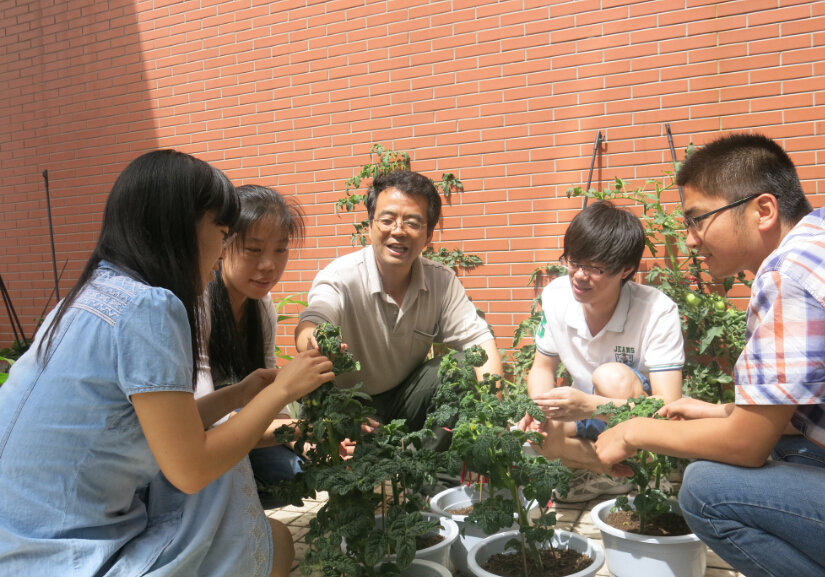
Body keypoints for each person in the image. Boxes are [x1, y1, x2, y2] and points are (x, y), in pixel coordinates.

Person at [0, 150, 335, 577]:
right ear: (180, 228)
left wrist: (242, 392)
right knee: (274, 541)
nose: (223, 250)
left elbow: (166, 423)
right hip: (61, 553)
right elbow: (191, 467)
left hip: (17, 537)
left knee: (261, 526)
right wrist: (284, 390)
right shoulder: (151, 307)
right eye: (223, 232)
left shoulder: (92, 292)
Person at [595, 133, 825, 577]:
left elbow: (747, 447)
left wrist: (633, 431)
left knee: (705, 490)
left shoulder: (788, 275)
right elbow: (810, 405)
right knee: (784, 448)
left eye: (698, 220)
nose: (690, 241)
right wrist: (718, 411)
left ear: (763, 210)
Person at [294, 169, 502, 450]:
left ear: (428, 236)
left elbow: (481, 344)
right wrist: (316, 340)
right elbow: (312, 321)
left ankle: (425, 471)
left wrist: (493, 417)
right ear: (370, 226)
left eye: (412, 222)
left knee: (462, 368)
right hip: (345, 404)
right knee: (352, 458)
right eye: (387, 220)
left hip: (405, 399)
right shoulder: (340, 277)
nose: (398, 231)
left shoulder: (440, 281)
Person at [520, 200, 684, 502]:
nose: (579, 275)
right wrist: (538, 407)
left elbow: (669, 405)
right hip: (580, 408)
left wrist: (591, 406)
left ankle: (638, 466)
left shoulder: (657, 311)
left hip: (632, 417)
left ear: (626, 269)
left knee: (611, 377)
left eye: (595, 267)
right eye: (573, 261)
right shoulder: (556, 297)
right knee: (540, 433)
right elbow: (542, 368)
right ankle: (608, 472)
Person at [205, 185, 306, 487]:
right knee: (283, 476)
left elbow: (269, 390)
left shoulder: (262, 306)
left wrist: (303, 440)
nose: (268, 265)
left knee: (301, 473)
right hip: (202, 432)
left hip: (242, 421)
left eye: (280, 250)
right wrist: (304, 428)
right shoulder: (200, 305)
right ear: (223, 244)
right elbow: (202, 416)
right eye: (253, 249)